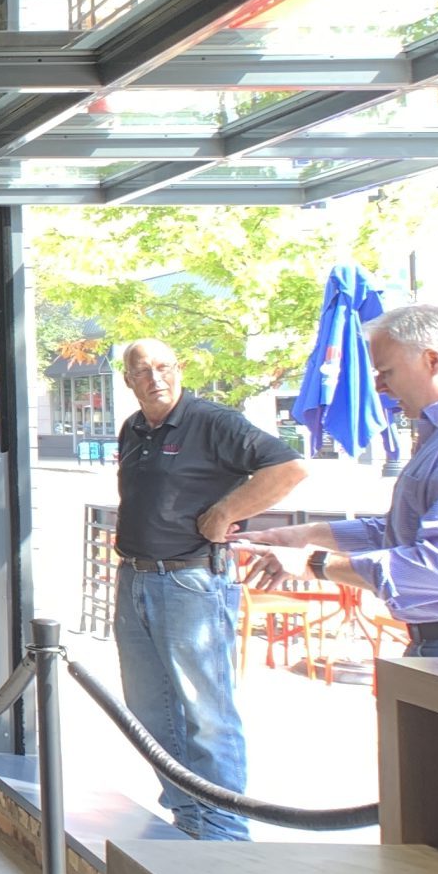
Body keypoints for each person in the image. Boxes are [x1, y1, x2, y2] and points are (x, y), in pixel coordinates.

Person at [112, 339, 311, 841]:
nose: (155, 378)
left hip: (191, 581)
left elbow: (289, 467)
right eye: (143, 371)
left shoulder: (211, 422)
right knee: (150, 712)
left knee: (207, 713)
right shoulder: (133, 429)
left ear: (179, 369)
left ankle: (224, 833)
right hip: (134, 578)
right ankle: (189, 816)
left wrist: (227, 511)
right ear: (128, 380)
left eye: (164, 367)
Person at [238, 304, 438, 654]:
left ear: (433, 361)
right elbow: (406, 531)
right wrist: (306, 535)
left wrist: (316, 564)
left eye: (387, 372)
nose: (379, 386)